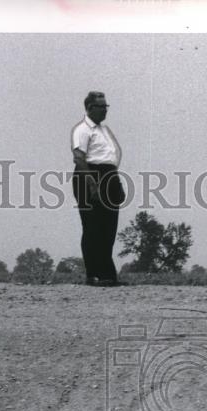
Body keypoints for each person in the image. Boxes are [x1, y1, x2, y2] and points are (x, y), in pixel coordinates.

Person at [71, 91, 125, 287]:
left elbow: (110, 157)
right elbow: (79, 157)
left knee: (109, 228)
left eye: (106, 107)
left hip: (108, 175)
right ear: (90, 108)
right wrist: (92, 183)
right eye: (101, 107)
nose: (105, 110)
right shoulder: (82, 130)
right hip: (90, 175)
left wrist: (115, 182)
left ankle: (108, 275)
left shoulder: (104, 130)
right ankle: (93, 274)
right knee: (93, 227)